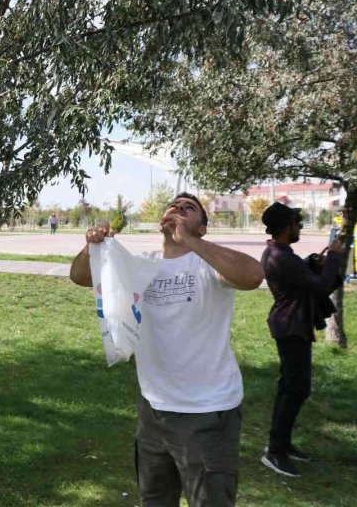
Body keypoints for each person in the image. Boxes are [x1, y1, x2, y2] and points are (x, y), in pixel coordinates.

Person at [70, 192, 265, 507]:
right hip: (154, 410)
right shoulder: (143, 264)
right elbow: (79, 276)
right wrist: (91, 247)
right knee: (155, 499)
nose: (177, 208)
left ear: (201, 228)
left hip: (206, 412)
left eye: (189, 208)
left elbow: (253, 275)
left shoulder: (205, 265)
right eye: (173, 205)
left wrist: (190, 242)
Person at [259, 202, 345, 477]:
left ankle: (281, 444)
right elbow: (319, 286)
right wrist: (332, 258)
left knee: (291, 387)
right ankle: (275, 451)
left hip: (292, 325)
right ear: (286, 228)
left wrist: (312, 264)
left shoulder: (281, 253)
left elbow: (306, 279)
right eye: (297, 224)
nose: (299, 228)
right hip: (290, 327)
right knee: (296, 388)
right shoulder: (280, 256)